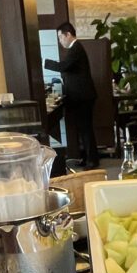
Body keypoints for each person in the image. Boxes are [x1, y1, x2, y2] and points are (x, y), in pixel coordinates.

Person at [43, 22, 98, 169]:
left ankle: (92, 160)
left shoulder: (76, 48)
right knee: (83, 129)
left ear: (68, 34)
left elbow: (64, 66)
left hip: (83, 96)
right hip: (81, 96)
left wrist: (44, 62)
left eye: (61, 37)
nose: (60, 41)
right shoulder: (75, 49)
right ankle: (87, 158)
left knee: (86, 129)